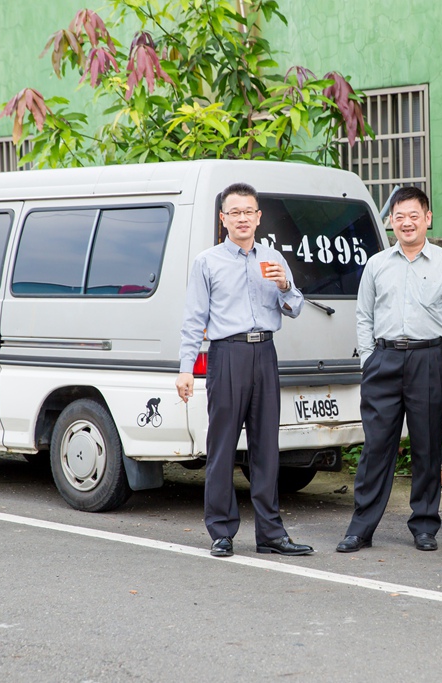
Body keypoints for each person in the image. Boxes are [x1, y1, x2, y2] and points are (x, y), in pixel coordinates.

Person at [336, 186, 442, 553]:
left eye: (414, 215)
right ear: (391, 222)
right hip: (383, 361)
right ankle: (361, 528)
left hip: (428, 359)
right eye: (399, 217)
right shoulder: (377, 264)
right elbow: (363, 316)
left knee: (428, 446)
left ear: (428, 219)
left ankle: (425, 525)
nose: (407, 223)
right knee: (376, 447)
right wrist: (369, 360)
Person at [176, 182, 314, 558]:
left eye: (248, 211)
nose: (242, 218)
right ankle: (221, 531)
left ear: (258, 217)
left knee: (267, 447)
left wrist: (285, 285)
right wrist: (186, 368)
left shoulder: (273, 258)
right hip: (227, 355)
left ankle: (271, 534)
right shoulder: (207, 262)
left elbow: (295, 306)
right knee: (221, 447)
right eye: (233, 212)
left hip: (265, 353)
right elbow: (194, 319)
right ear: (223, 219)